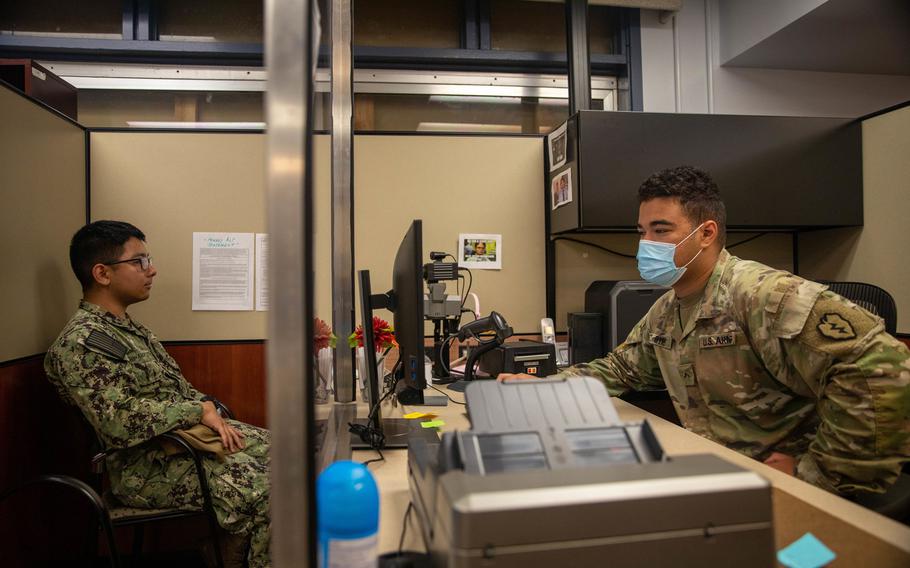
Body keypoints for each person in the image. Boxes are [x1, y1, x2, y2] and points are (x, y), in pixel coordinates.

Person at [502, 166, 910, 497]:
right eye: (642, 231)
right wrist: (545, 388)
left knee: (800, 560)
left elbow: (883, 367)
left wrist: (817, 472)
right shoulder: (668, 308)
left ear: (707, 233)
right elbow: (621, 370)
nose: (646, 243)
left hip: (801, 492)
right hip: (729, 477)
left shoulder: (763, 294)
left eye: (661, 230)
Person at [44, 220, 270, 568]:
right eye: (139, 262)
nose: (151, 270)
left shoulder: (129, 330)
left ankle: (233, 549)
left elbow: (175, 390)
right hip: (145, 469)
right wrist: (197, 412)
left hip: (182, 446)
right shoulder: (81, 343)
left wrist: (206, 410)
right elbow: (117, 423)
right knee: (273, 490)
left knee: (291, 456)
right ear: (102, 273)